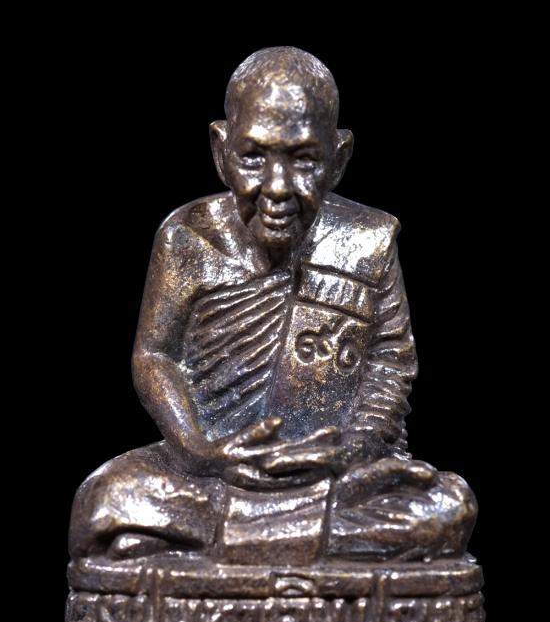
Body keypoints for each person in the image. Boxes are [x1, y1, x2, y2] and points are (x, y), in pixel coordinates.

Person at [69, 47, 476, 565]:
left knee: (448, 507)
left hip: (332, 474)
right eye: (253, 157)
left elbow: (391, 360)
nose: (278, 188)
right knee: (106, 500)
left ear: (339, 159)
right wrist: (200, 451)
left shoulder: (367, 242)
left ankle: (223, 541)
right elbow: (155, 356)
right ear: (221, 151)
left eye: (304, 160)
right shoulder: (187, 240)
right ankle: (299, 540)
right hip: (216, 471)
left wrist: (352, 449)